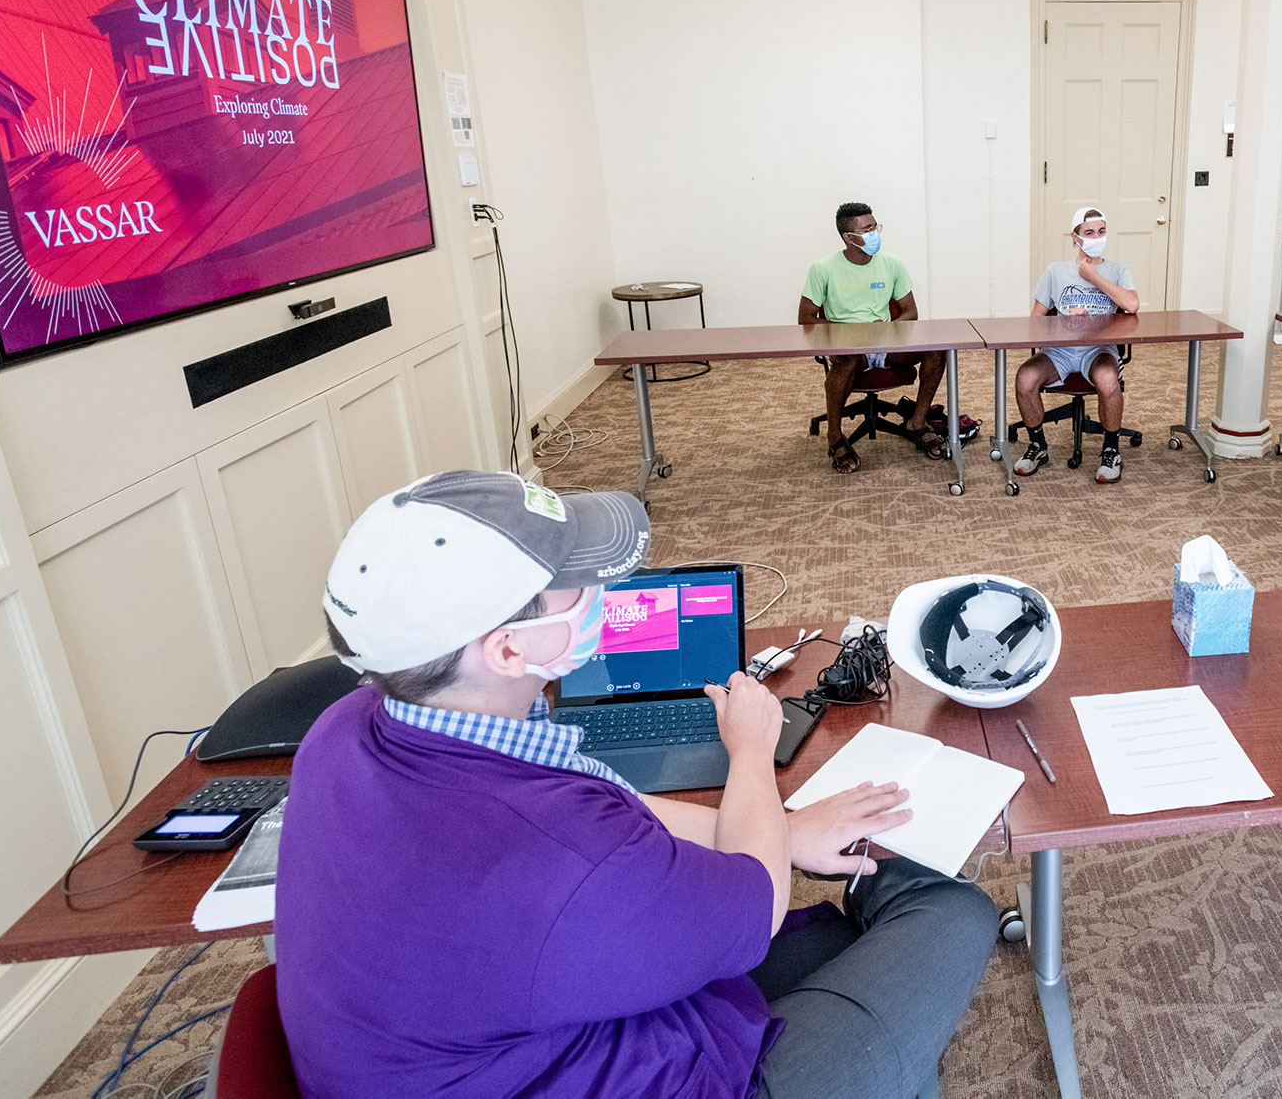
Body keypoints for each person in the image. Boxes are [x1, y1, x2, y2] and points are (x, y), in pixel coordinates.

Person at [278, 470, 1000, 1097]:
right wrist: (750, 752)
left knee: (848, 932)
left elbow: (604, 803)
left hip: (540, 1033)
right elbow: (756, 899)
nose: (596, 589)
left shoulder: (348, 728)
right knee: (952, 907)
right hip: (655, 1068)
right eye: (570, 582)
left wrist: (788, 827)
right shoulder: (562, 860)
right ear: (506, 647)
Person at [800, 201, 950, 474]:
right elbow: (806, 318)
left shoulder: (892, 263)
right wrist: (850, 333)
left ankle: (917, 421)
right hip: (847, 348)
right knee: (845, 363)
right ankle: (835, 436)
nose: (875, 233)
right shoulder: (823, 268)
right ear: (849, 237)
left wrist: (886, 331)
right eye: (867, 229)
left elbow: (910, 312)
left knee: (936, 350)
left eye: (875, 227)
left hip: (886, 342)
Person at [1014, 207, 1140, 485]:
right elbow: (1036, 319)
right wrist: (1064, 322)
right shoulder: (1056, 271)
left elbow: (1131, 305)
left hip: (1099, 351)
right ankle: (1037, 446)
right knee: (1025, 377)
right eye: (1089, 233)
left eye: (1101, 232)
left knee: (1108, 379)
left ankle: (1111, 451)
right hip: (1059, 350)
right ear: (1075, 238)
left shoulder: (1118, 270)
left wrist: (1094, 277)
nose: (1097, 237)